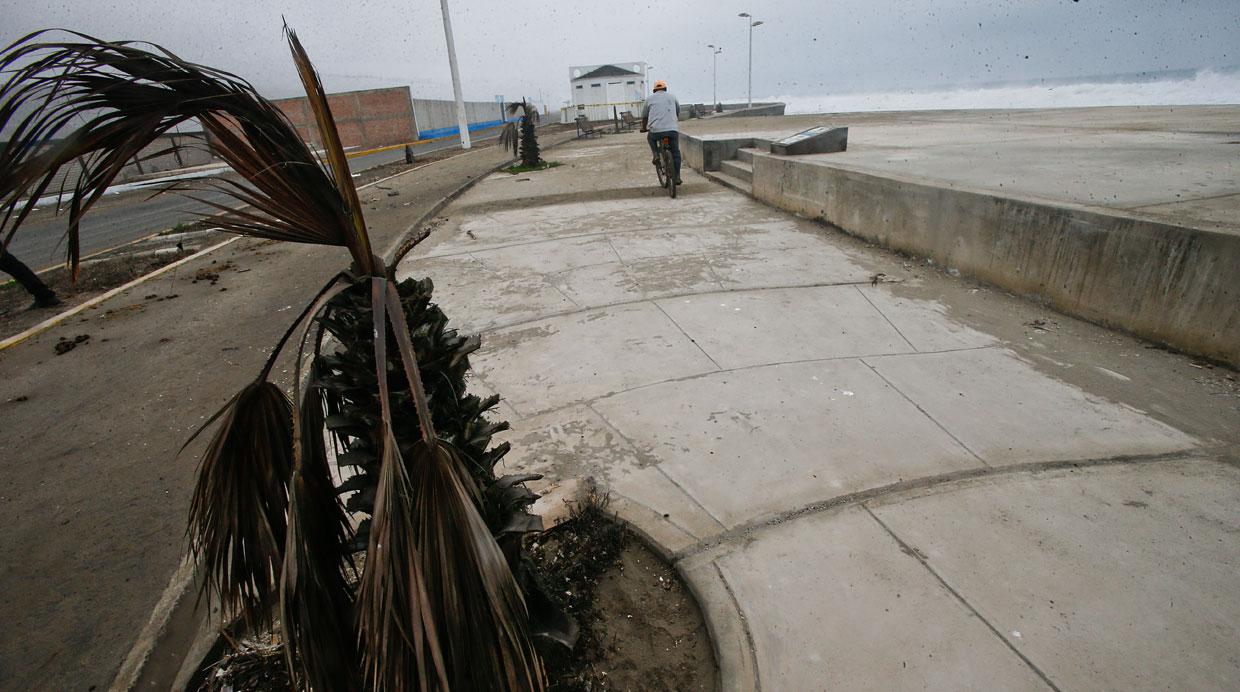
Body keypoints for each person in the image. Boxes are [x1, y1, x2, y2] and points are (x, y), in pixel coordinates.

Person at [640, 79, 682, 185]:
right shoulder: (672, 97)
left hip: (656, 131)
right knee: (676, 152)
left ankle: (656, 154)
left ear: (654, 90)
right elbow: (677, 111)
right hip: (672, 130)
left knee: (650, 137)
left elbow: (644, 116)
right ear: (665, 89)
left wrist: (643, 128)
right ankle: (677, 176)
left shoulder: (649, 99)